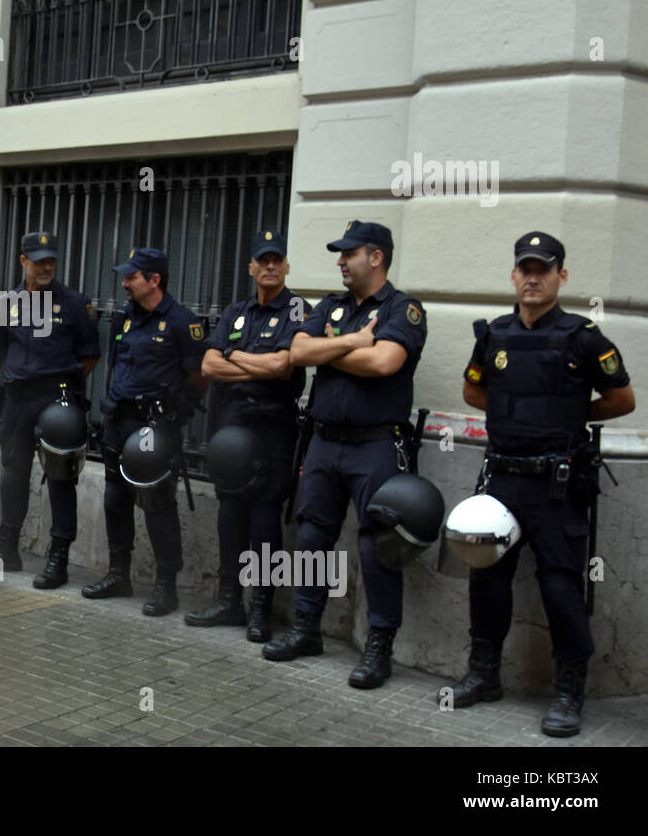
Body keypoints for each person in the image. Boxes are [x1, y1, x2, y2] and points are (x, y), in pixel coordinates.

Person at [451, 231, 634, 737]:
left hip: (557, 484)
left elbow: (623, 399)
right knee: (487, 580)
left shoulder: (583, 336)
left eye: (544, 269)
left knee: (560, 587)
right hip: (503, 479)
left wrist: (568, 419)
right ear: (513, 275)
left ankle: (568, 692)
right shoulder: (494, 335)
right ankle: (484, 675)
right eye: (525, 269)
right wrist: (516, 417)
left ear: (561, 277)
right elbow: (472, 388)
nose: (533, 277)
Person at [263, 221, 427, 690]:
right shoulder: (331, 307)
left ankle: (379, 646)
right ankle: (306, 628)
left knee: (377, 546)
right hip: (323, 441)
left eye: (348, 253)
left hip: (375, 445)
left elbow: (384, 363)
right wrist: (354, 341)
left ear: (376, 257)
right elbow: (296, 351)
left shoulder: (403, 308)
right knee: (312, 536)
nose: (340, 260)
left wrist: (328, 351)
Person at [187, 229, 309, 640]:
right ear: (251, 267)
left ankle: (260, 607)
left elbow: (283, 368)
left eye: (277, 259)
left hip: (274, 425)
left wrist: (234, 356)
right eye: (263, 260)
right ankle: (228, 601)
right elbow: (207, 366)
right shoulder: (235, 312)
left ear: (286, 266)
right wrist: (256, 362)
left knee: (264, 519)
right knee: (230, 512)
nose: (270, 266)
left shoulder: (297, 310)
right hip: (234, 421)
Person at [0, 232, 100, 586]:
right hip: (17, 399)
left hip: (57, 398)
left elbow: (90, 356)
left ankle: (58, 558)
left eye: (51, 260)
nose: (47, 266)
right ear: (23, 261)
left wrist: (59, 380)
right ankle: (5, 549)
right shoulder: (6, 301)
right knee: (13, 473)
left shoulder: (74, 303)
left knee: (60, 477)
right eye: (39, 260)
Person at [82, 248, 208, 616]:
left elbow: (198, 380)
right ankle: (118, 574)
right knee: (115, 500)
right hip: (119, 421)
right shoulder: (124, 318)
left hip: (154, 426)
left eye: (131, 277)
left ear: (154, 280)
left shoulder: (183, 322)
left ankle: (165, 585)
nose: (123, 283)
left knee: (157, 505)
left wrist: (172, 411)